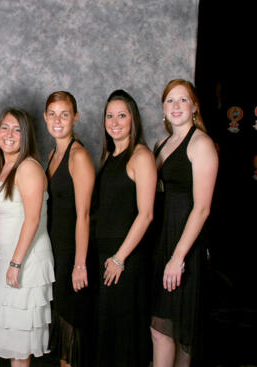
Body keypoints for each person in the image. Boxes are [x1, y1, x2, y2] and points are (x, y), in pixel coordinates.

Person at [151, 79, 218, 367]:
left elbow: (202, 208)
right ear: (163, 109)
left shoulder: (201, 144)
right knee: (165, 327)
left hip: (183, 245)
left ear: (194, 107)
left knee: (167, 328)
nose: (176, 106)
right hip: (161, 239)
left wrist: (177, 258)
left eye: (182, 100)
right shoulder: (162, 143)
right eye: (170, 100)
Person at [0, 108, 54, 367]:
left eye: (17, 129)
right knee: (12, 342)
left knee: (21, 344)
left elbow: (33, 219)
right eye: (4, 127)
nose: (9, 134)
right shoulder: (5, 167)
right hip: (6, 259)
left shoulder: (28, 167)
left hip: (26, 261)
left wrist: (16, 263)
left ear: (26, 135)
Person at [93, 90, 156, 366]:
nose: (114, 122)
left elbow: (146, 214)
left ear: (133, 119)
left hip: (125, 258)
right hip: (104, 256)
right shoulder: (109, 155)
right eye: (110, 115)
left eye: (122, 115)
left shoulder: (140, 156)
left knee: (125, 335)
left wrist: (120, 258)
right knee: (108, 331)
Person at [43, 91, 96, 367]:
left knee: (71, 323)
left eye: (65, 114)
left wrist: (79, 264)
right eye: (52, 113)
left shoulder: (79, 156)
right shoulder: (53, 153)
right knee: (59, 320)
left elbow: (84, 215)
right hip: (54, 249)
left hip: (72, 252)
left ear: (75, 117)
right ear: (45, 117)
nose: (58, 120)